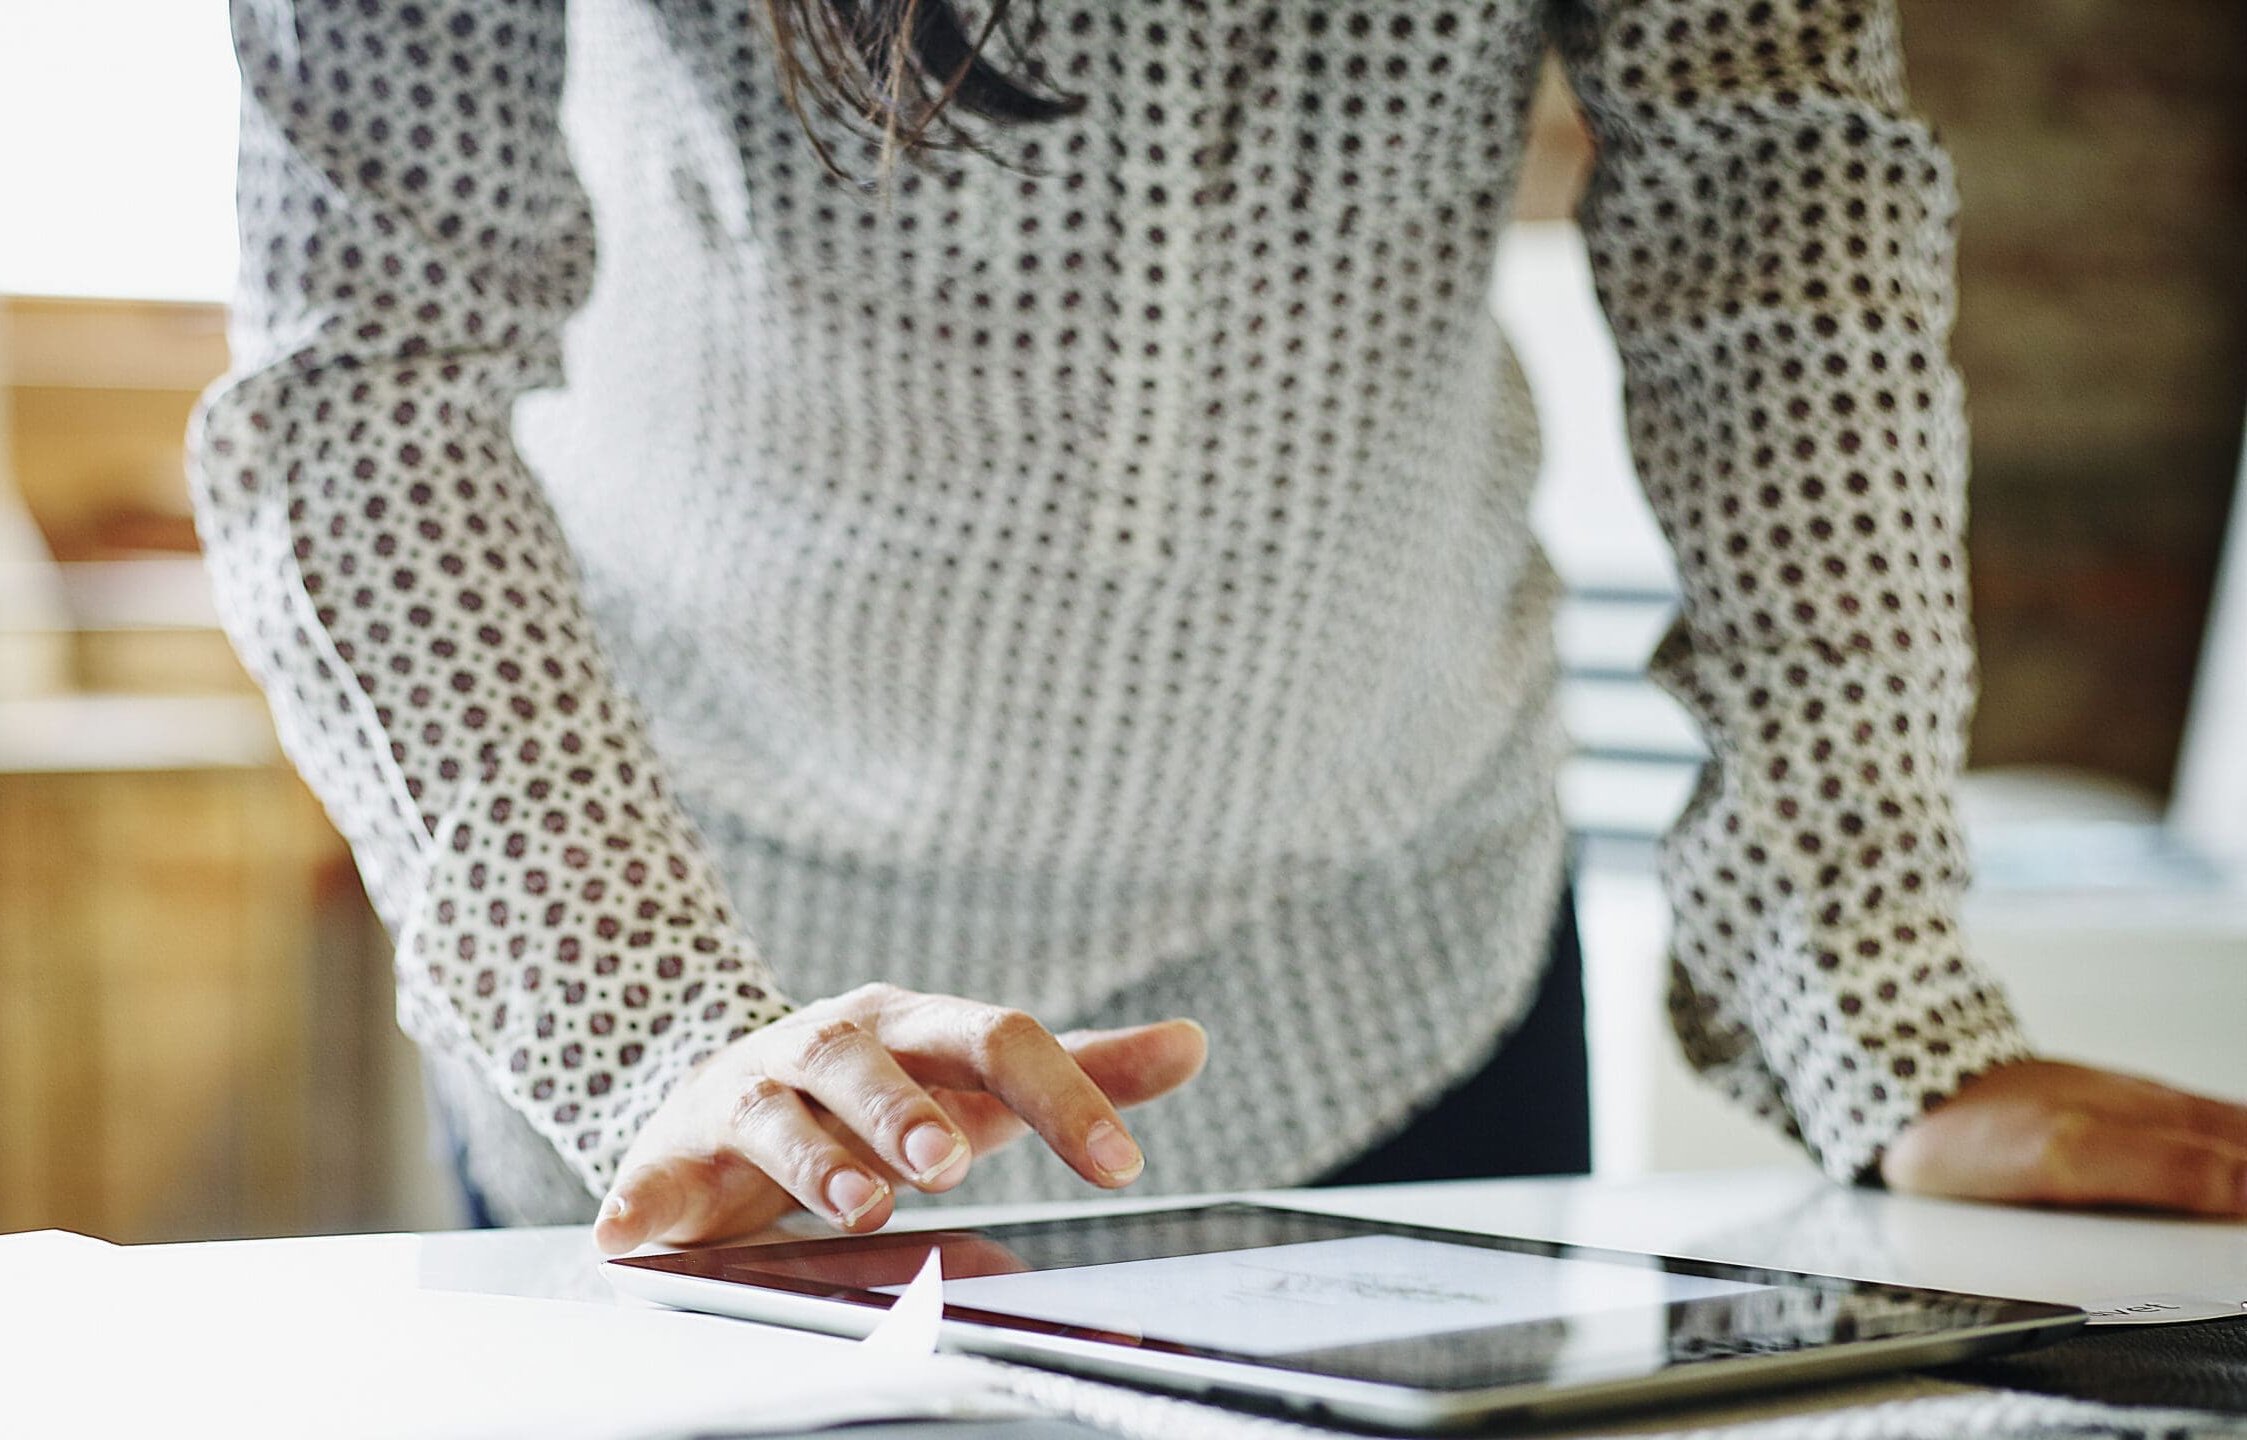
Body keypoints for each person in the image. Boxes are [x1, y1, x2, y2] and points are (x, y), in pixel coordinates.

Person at [190, 0, 2247, 1249]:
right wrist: (643, 1025)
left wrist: (1869, 992)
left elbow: (1772, 210)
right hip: (718, 1008)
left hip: (1388, 969)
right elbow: (360, 368)